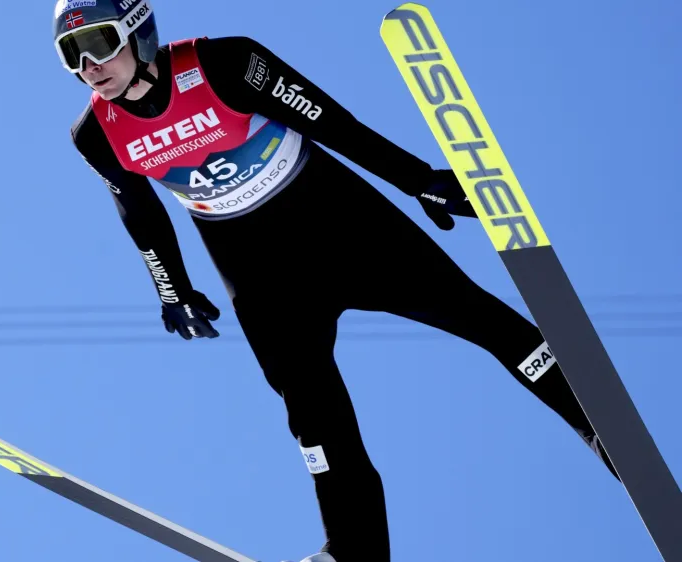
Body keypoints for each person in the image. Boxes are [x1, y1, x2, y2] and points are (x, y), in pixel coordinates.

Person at [53, 1, 619, 560]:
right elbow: (140, 213)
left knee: (477, 316)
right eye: (71, 54)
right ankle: (354, 549)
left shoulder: (224, 62)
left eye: (98, 44)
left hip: (340, 225)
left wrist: (416, 179)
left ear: (138, 34)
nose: (88, 65)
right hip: (257, 272)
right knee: (312, 414)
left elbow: (330, 121)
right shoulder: (95, 135)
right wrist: (172, 289)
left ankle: (602, 430)